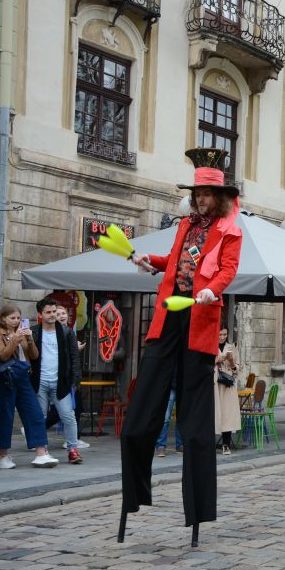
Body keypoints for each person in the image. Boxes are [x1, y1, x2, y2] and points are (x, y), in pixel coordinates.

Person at [119, 147, 242, 545]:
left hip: (199, 318)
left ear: (219, 198)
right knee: (140, 413)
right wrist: (150, 261)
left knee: (195, 423)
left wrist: (212, 291)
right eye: (197, 194)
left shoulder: (230, 230)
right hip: (168, 315)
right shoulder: (185, 226)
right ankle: (135, 492)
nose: (201, 199)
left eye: (207, 195)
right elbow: (175, 261)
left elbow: (228, 270)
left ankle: (198, 510)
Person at [0, 304, 59, 469]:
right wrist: (15, 339)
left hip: (23, 377)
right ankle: (3, 456)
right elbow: (3, 355)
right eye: (12, 318)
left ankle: (41, 453)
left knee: (35, 413)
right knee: (6, 417)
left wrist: (29, 339)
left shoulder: (22, 332)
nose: (16, 321)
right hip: (6, 377)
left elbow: (34, 356)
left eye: (18, 318)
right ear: (3, 319)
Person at [30, 297, 83, 464]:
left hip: (61, 382)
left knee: (68, 416)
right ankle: (42, 451)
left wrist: (75, 380)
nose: (52, 315)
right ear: (40, 314)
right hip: (40, 381)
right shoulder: (34, 332)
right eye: (48, 312)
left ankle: (73, 450)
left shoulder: (66, 332)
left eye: (54, 311)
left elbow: (74, 357)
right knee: (40, 417)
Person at [214, 327, 240, 455]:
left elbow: (237, 370)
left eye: (224, 334)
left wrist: (231, 362)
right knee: (214, 413)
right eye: (220, 334)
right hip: (214, 384)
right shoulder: (210, 346)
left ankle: (226, 444)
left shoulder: (232, 347)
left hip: (228, 385)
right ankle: (209, 443)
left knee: (228, 414)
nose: (222, 337)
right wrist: (218, 360)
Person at [154, 373, 181, 457]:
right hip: (169, 386)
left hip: (183, 386)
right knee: (165, 418)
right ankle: (161, 445)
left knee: (181, 418)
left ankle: (180, 444)